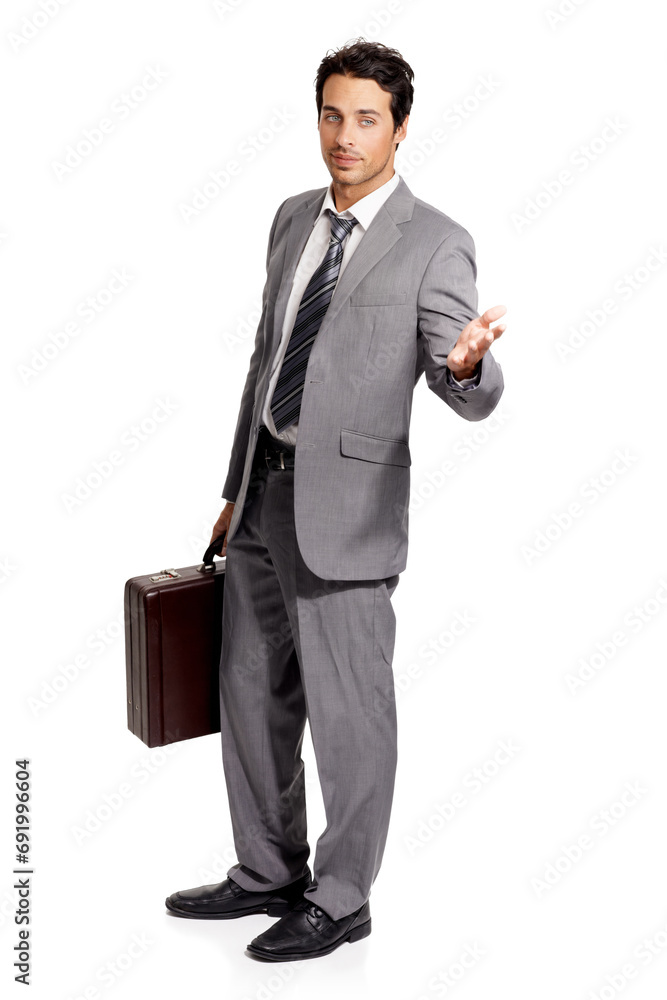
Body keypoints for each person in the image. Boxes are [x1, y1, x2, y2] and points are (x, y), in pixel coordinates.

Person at [166, 38, 506, 962]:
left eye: (365, 119)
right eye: (331, 114)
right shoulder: (290, 219)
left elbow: (464, 380)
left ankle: (343, 895)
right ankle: (266, 871)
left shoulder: (434, 240)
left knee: (350, 713)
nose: (344, 136)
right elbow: (264, 360)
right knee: (250, 695)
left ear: (400, 127)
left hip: (348, 518)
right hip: (262, 499)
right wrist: (233, 489)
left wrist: (465, 368)